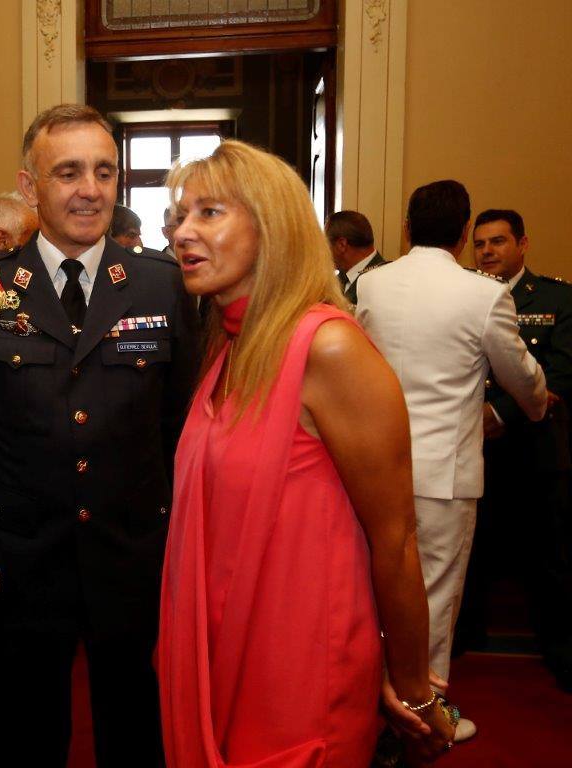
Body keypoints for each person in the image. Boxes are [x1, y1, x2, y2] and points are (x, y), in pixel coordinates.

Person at [157, 139, 456, 767]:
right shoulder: (228, 347)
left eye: (209, 212)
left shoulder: (329, 350)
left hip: (299, 673)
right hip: (223, 653)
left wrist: (411, 686)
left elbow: (396, 540)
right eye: (179, 215)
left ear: (273, 227)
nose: (183, 231)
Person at [0, 103, 200, 768]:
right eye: (68, 172)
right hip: (26, 559)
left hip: (133, 557)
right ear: (30, 187)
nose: (89, 189)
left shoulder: (163, 285)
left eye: (103, 172)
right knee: (29, 734)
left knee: (137, 731)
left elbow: (182, 428)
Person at [357, 181, 548, 743]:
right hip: (445, 472)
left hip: (374, 466)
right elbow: (522, 379)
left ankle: (371, 705)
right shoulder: (482, 294)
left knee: (376, 589)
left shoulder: (373, 285)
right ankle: (424, 710)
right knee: (435, 596)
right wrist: (536, 406)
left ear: (408, 229)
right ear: (464, 234)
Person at [463, 208, 572, 689]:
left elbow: (562, 370)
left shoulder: (555, 297)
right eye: (480, 244)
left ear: (522, 244)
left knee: (550, 557)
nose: (487, 252)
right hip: (472, 449)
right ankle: (462, 645)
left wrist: (499, 412)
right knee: (472, 554)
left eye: (498, 242)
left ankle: (561, 653)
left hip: (533, 450)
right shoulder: (462, 295)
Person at [325, 209, 387, 304]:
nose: (324, 251)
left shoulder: (382, 283)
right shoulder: (334, 282)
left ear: (342, 245)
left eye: (326, 244)